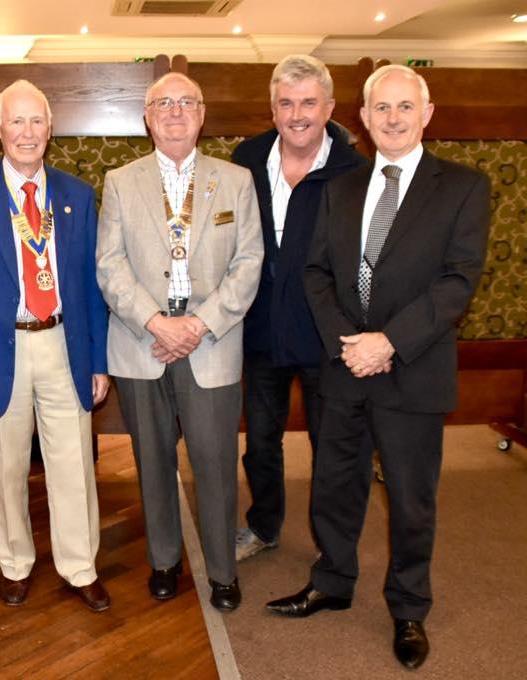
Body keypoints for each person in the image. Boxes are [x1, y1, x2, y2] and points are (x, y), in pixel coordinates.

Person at [266, 65, 490, 671]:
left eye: (404, 107)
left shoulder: (464, 187)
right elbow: (315, 272)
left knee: (412, 501)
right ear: (362, 119)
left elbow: (458, 281)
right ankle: (332, 581)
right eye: (381, 109)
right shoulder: (341, 187)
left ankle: (409, 607)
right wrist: (350, 342)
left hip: (413, 368)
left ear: (426, 113)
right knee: (335, 487)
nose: (392, 118)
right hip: (345, 369)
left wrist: (387, 342)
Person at [0, 80, 111, 612]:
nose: (27, 133)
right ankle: (15, 563)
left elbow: (90, 287)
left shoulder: (77, 195)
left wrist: (98, 360)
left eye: (37, 122)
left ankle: (80, 566)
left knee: (74, 465)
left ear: (49, 130)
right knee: (5, 467)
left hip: (64, 346)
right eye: (17, 122)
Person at [96, 72, 263, 611]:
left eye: (185, 102)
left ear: (202, 113)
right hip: (140, 345)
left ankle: (221, 571)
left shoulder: (235, 181)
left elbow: (249, 263)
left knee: (215, 464)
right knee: (151, 460)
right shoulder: (121, 180)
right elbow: (109, 264)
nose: (173, 112)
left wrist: (197, 324)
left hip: (211, 346)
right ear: (146, 117)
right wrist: (155, 321)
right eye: (162, 103)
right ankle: (164, 560)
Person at [231, 55, 366, 562]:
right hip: (262, 329)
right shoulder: (246, 158)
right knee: (261, 443)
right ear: (272, 110)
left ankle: (332, 548)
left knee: (331, 446)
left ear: (328, 107)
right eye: (286, 103)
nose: (298, 114)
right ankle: (264, 527)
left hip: (327, 335)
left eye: (309, 102)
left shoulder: (354, 169)